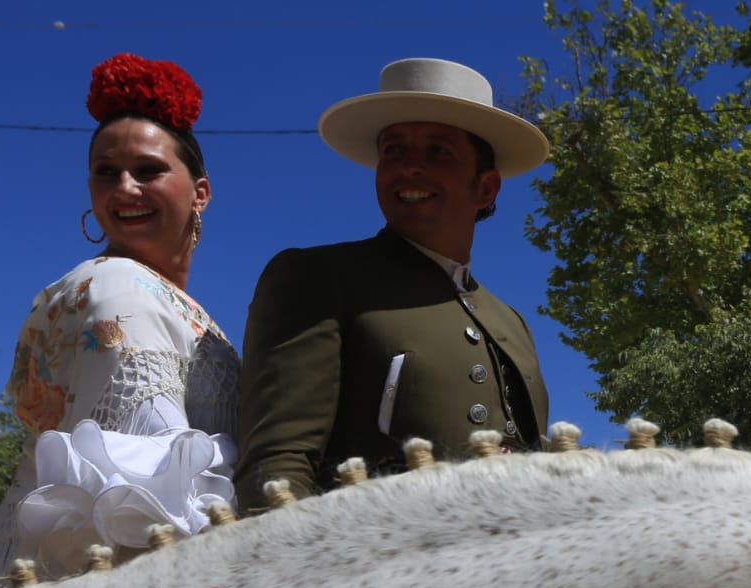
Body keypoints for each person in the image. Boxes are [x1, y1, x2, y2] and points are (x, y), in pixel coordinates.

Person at [233, 58, 549, 509]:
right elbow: (276, 469)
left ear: (486, 188)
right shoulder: (317, 277)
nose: (410, 167)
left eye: (438, 151)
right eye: (394, 150)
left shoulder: (511, 324)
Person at [0, 53, 237, 580]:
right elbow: (137, 512)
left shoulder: (185, 309)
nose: (124, 188)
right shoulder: (118, 287)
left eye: (148, 171)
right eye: (106, 173)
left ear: (200, 194)